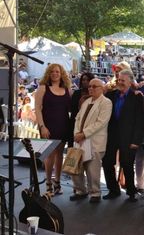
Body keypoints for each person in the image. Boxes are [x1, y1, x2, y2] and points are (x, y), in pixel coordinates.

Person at [102, 69, 144, 202]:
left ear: (130, 82)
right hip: (111, 135)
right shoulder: (110, 95)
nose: (120, 82)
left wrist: (136, 140)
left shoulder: (137, 97)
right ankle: (113, 189)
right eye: (119, 80)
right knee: (107, 162)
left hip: (129, 137)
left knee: (127, 164)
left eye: (123, 80)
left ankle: (131, 192)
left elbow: (140, 120)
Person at [70, 78, 112, 203]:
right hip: (79, 139)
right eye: (90, 86)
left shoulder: (106, 102)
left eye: (95, 86)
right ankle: (80, 190)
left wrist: (84, 134)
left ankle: (95, 193)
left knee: (92, 169)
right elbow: (77, 118)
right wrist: (77, 133)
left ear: (102, 88)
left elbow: (101, 122)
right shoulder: (86, 101)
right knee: (75, 167)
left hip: (94, 141)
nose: (91, 88)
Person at [35, 63, 72, 196]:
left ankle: (57, 182)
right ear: (48, 74)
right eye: (52, 72)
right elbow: (38, 109)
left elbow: (72, 107)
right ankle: (48, 183)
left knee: (59, 155)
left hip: (63, 125)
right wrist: (42, 126)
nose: (55, 74)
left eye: (57, 71)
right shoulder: (43, 88)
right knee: (49, 155)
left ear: (61, 73)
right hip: (48, 126)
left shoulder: (67, 89)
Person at [69, 72, 95, 147]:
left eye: (88, 80)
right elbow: (72, 109)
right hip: (75, 124)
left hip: (89, 126)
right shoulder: (77, 93)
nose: (85, 81)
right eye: (83, 80)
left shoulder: (95, 94)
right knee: (73, 150)